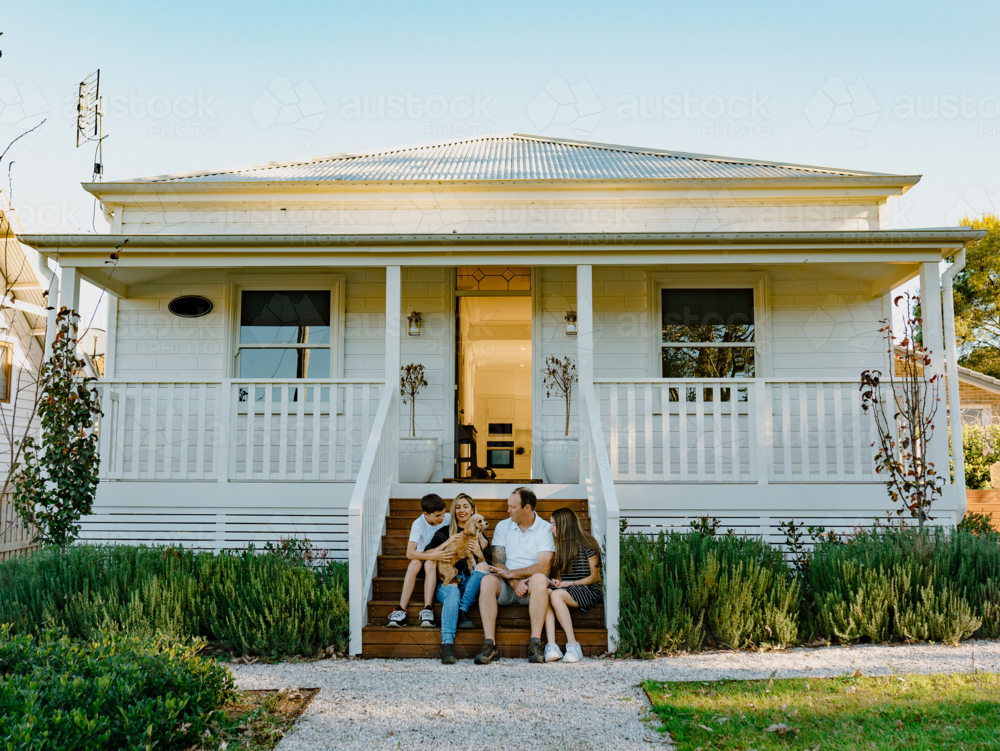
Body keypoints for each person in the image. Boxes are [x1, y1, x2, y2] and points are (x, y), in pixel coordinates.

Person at [475, 487, 555, 665]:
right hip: (507, 584)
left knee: (540, 579)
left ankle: (535, 643)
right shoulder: (504, 526)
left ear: (527, 508)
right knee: (487, 580)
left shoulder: (544, 528)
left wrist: (514, 574)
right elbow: (498, 561)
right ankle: (490, 645)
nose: (508, 510)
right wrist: (513, 581)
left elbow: (543, 566)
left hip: (533, 586)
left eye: (512, 507)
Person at [425, 493, 492, 664]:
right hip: (447, 582)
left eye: (466, 506)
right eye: (458, 506)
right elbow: (426, 553)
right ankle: (447, 646)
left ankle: (462, 610)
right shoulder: (444, 532)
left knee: (482, 567)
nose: (462, 510)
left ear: (472, 510)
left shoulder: (480, 537)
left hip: (469, 584)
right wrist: (444, 547)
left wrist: (479, 553)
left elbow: (490, 567)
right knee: (452, 592)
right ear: (454, 510)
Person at [543, 507, 603, 663]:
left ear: (564, 524)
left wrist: (570, 583)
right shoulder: (561, 545)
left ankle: (573, 645)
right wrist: (557, 580)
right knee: (547, 592)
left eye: (553, 524)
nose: (551, 528)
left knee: (555, 594)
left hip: (587, 589)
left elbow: (595, 578)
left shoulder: (588, 543)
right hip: (568, 589)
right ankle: (552, 645)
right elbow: (561, 574)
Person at [386, 493, 452, 628]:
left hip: (441, 560)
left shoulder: (448, 518)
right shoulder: (418, 524)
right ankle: (400, 610)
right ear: (426, 514)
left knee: (429, 564)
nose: (442, 517)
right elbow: (410, 553)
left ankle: (428, 608)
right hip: (426, 556)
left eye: (444, 513)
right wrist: (433, 556)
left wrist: (480, 535)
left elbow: (469, 521)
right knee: (415, 563)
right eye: (438, 515)